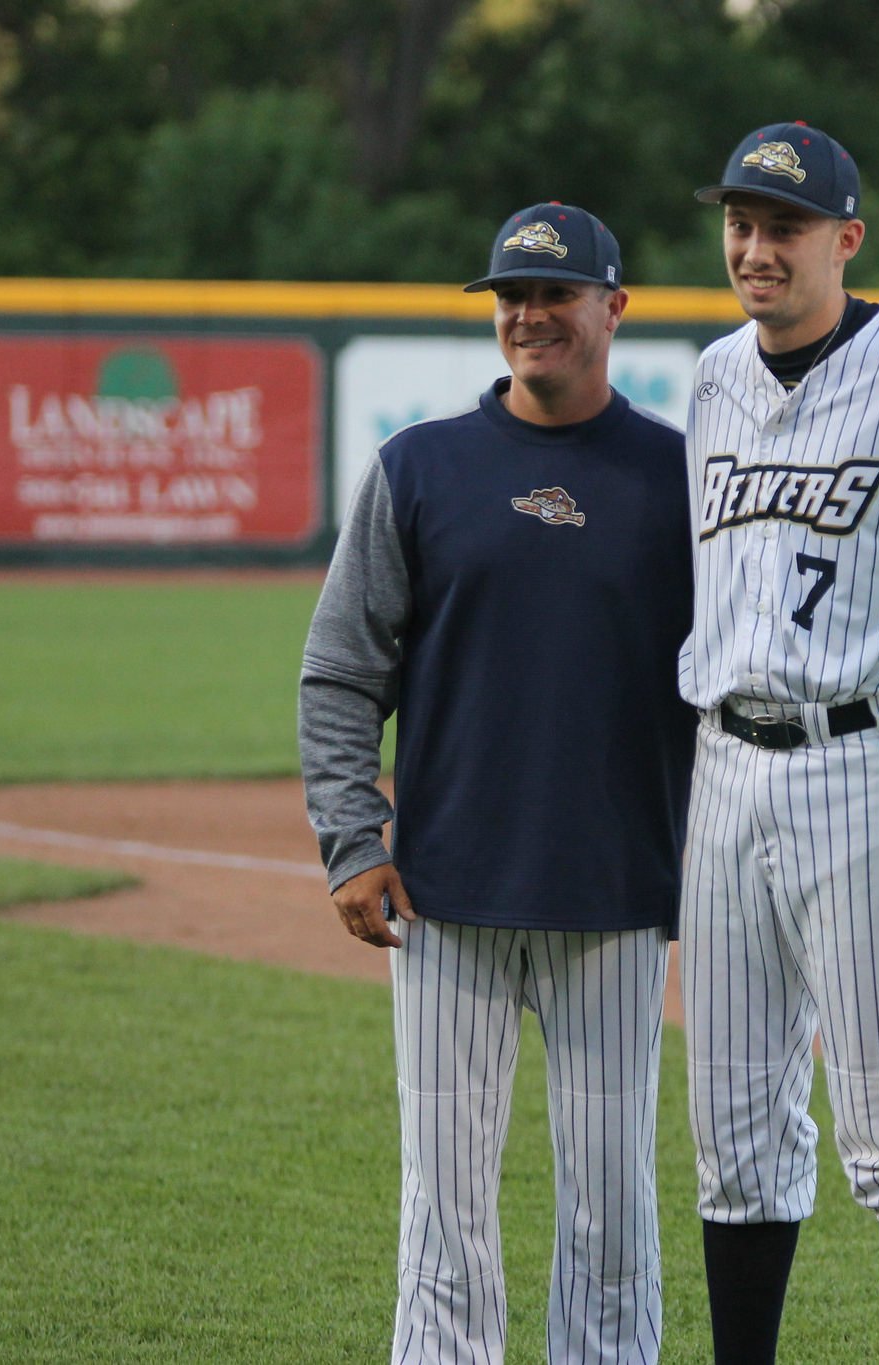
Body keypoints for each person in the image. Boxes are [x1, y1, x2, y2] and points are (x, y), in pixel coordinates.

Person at [298, 202, 695, 1365]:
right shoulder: (418, 467)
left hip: (616, 892)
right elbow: (338, 672)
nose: (529, 316)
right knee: (443, 1211)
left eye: (555, 294)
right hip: (442, 895)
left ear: (611, 307)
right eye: (511, 297)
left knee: (613, 1209)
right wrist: (351, 837)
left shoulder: (676, 477)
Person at [677, 121, 879, 1364]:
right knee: (732, 1134)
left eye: (783, 226)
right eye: (741, 222)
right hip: (722, 765)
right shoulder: (708, 376)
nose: (756, 247)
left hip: (872, 760)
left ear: (845, 240)